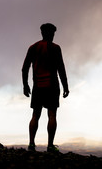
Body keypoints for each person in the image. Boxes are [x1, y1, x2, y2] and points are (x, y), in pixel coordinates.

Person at [22, 23, 69, 152]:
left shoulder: (33, 47)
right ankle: (50, 145)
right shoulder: (55, 48)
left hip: (37, 86)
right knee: (52, 115)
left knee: (35, 115)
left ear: (42, 33)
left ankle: (31, 144)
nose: (53, 35)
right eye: (53, 33)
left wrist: (25, 85)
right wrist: (66, 86)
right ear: (51, 34)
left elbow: (25, 68)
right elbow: (61, 69)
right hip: (52, 86)